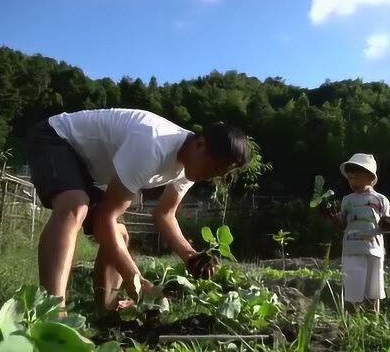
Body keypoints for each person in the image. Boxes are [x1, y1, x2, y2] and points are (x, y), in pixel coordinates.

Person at [26, 108, 250, 312]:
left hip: (88, 169)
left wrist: (191, 257)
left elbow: (165, 214)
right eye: (212, 167)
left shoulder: (191, 166)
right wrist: (137, 279)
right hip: (56, 138)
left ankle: (106, 309)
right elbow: (105, 219)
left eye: (219, 173)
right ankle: (52, 311)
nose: (210, 176)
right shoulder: (153, 144)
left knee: (120, 235)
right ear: (200, 144)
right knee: (75, 205)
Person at [325, 153, 390, 313]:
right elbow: (343, 225)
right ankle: (357, 316)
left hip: (374, 249)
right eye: (350, 178)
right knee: (354, 284)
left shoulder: (381, 200)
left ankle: (374, 317)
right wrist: (333, 217)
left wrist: (388, 224)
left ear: (371, 177)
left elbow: (386, 223)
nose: (353, 182)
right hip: (352, 249)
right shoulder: (347, 201)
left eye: (357, 178)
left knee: (374, 286)